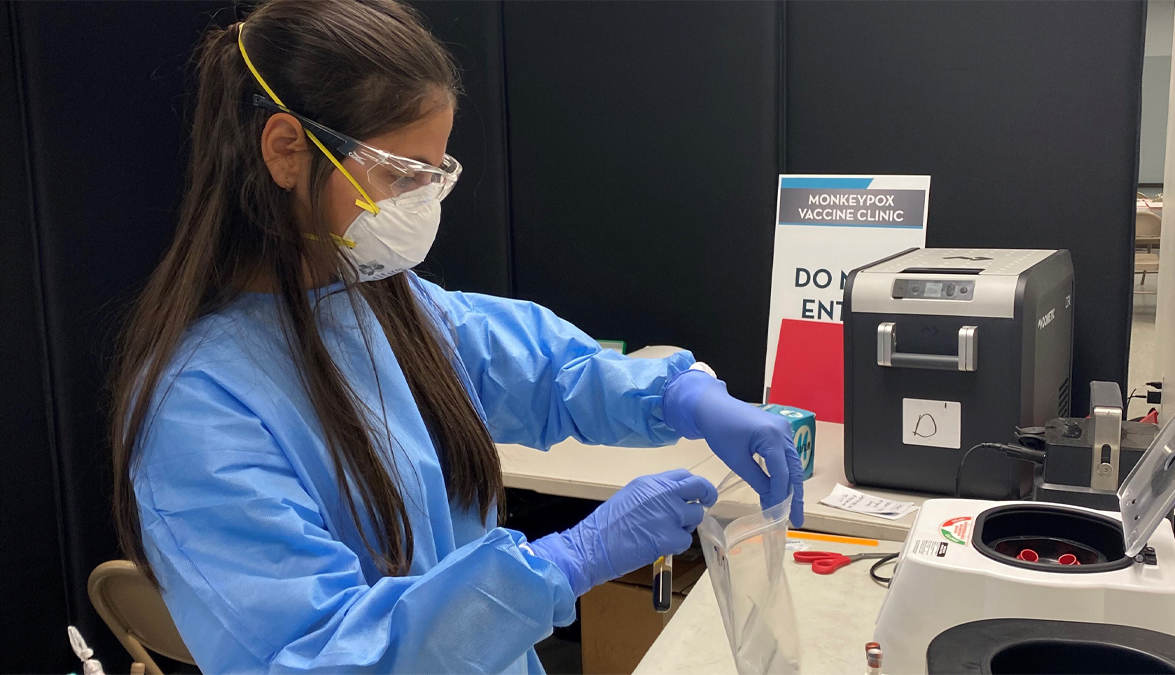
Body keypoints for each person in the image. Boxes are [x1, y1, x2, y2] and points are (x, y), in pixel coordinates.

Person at [109, 1, 805, 672]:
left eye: (434, 174)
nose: (420, 203)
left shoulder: (383, 303)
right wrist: (565, 563)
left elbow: (540, 367)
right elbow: (323, 655)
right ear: (288, 150)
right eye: (400, 173)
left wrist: (679, 396)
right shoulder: (197, 408)